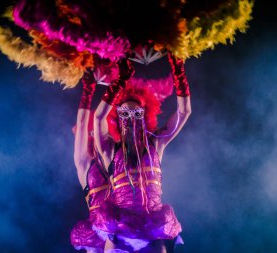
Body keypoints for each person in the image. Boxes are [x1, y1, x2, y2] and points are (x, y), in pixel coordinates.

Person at [92, 52, 192, 252]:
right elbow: (98, 119)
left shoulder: (155, 144)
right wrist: (119, 82)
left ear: (144, 116)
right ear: (117, 118)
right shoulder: (111, 149)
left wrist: (178, 69)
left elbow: (184, 112)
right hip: (121, 228)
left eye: (136, 113)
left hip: (154, 226)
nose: (130, 118)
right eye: (124, 113)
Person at [70, 70, 110, 253]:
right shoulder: (84, 162)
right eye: (91, 132)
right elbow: (82, 120)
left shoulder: (116, 158)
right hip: (98, 234)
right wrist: (88, 90)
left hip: (122, 228)